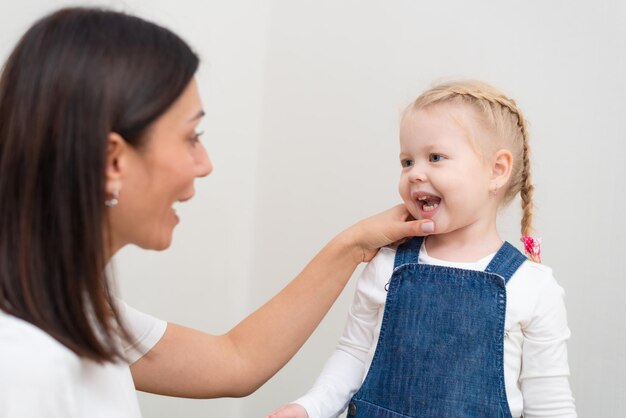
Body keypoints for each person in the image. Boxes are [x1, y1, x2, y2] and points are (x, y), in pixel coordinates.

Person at [0, 7, 435, 417]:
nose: (205, 163)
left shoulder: (78, 310)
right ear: (113, 162)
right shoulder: (22, 362)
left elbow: (234, 361)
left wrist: (355, 243)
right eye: (192, 137)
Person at [267, 81, 577, 418]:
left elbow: (551, 405)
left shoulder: (532, 287)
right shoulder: (386, 264)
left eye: (435, 157)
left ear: (496, 170)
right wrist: (309, 407)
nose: (415, 174)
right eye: (407, 161)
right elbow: (354, 353)